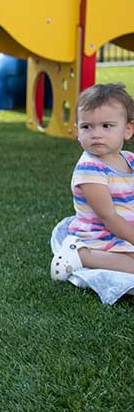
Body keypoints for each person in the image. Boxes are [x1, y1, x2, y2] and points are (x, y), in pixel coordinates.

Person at [51, 83, 134, 280]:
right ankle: (82, 255)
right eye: (87, 127)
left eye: (107, 126)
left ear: (128, 130)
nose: (96, 133)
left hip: (125, 230)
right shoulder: (90, 170)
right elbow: (109, 217)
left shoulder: (129, 159)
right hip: (101, 236)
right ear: (77, 131)